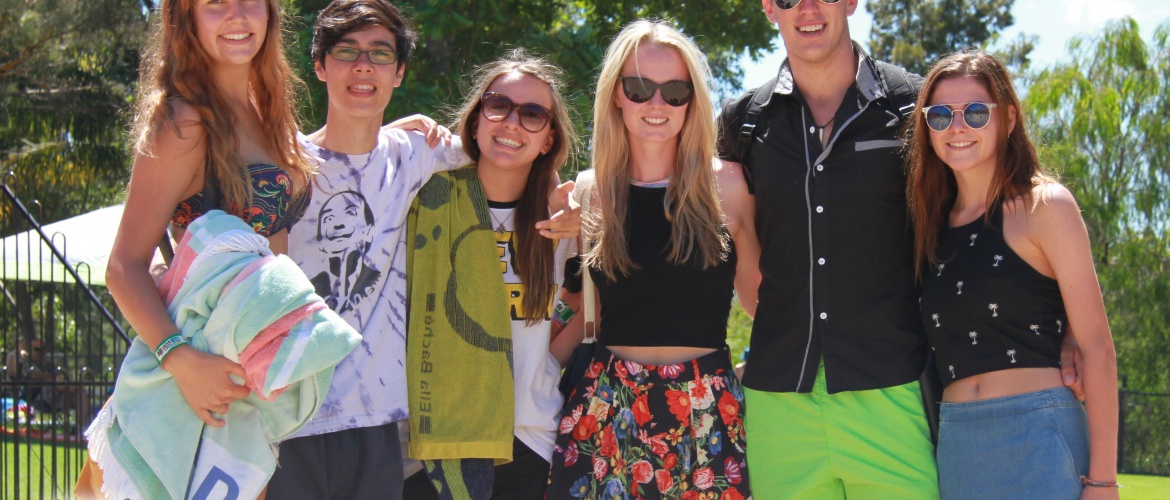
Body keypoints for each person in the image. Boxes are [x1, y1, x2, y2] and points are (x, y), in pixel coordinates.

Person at [716, 0, 940, 497]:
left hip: (893, 391)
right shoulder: (741, 124)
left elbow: (983, 215)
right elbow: (664, 182)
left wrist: (1068, 327)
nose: (807, 8)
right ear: (769, 8)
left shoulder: (915, 105)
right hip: (779, 400)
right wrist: (589, 192)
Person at [547, 19, 760, 499]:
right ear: (616, 96)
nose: (657, 104)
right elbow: (576, 311)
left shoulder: (729, 186)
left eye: (675, 91)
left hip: (707, 412)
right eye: (639, 88)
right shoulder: (590, 192)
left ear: (693, 101)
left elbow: (764, 306)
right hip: (605, 409)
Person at [269, 1, 467, 498]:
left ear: (398, 73)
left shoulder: (413, 154)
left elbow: (507, 148)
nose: (363, 65)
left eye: (380, 54)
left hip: (376, 419)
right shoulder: (282, 164)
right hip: (284, 417)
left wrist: (570, 200)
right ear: (319, 65)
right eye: (346, 51)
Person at [908, 50, 1119, 499]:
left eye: (975, 112)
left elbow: (1098, 348)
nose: (957, 127)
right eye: (940, 115)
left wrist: (1103, 481)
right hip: (958, 449)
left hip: (1041, 440)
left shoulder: (1046, 206)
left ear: (1007, 119)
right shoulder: (928, 225)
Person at [105, 0, 314, 429]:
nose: (237, 14)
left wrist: (390, 129)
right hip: (200, 384)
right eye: (215, 2)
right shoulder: (185, 123)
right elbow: (123, 267)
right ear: (188, 18)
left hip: (257, 382)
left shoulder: (267, 112)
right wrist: (181, 361)